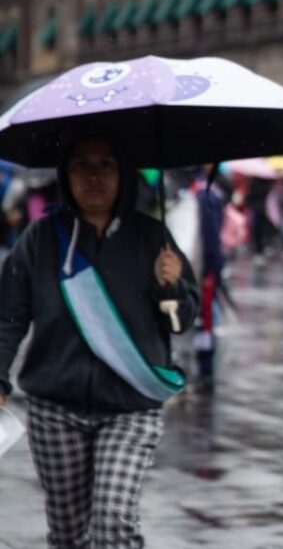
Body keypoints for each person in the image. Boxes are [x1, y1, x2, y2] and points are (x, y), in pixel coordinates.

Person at [0, 136, 199, 548]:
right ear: (65, 174)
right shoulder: (40, 240)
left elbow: (182, 321)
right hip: (54, 407)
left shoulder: (152, 237)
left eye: (106, 164)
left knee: (113, 523)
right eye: (82, 165)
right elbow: (9, 317)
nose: (94, 176)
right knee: (68, 534)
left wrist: (173, 286)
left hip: (131, 405)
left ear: (122, 173)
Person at [194, 166, 227, 393]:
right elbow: (212, 240)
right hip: (201, 269)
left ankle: (205, 371)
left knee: (203, 320)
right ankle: (205, 371)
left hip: (199, 269)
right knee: (203, 321)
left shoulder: (199, 193)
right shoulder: (205, 193)